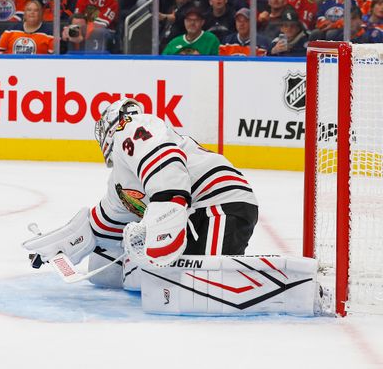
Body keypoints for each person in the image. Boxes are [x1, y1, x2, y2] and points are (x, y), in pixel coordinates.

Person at [22, 100, 316, 316]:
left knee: (203, 289)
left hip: (219, 203)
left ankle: (291, 287)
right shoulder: (120, 181)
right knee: (166, 285)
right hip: (194, 214)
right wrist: (63, 246)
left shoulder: (138, 127)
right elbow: (104, 226)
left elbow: (167, 170)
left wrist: (165, 219)